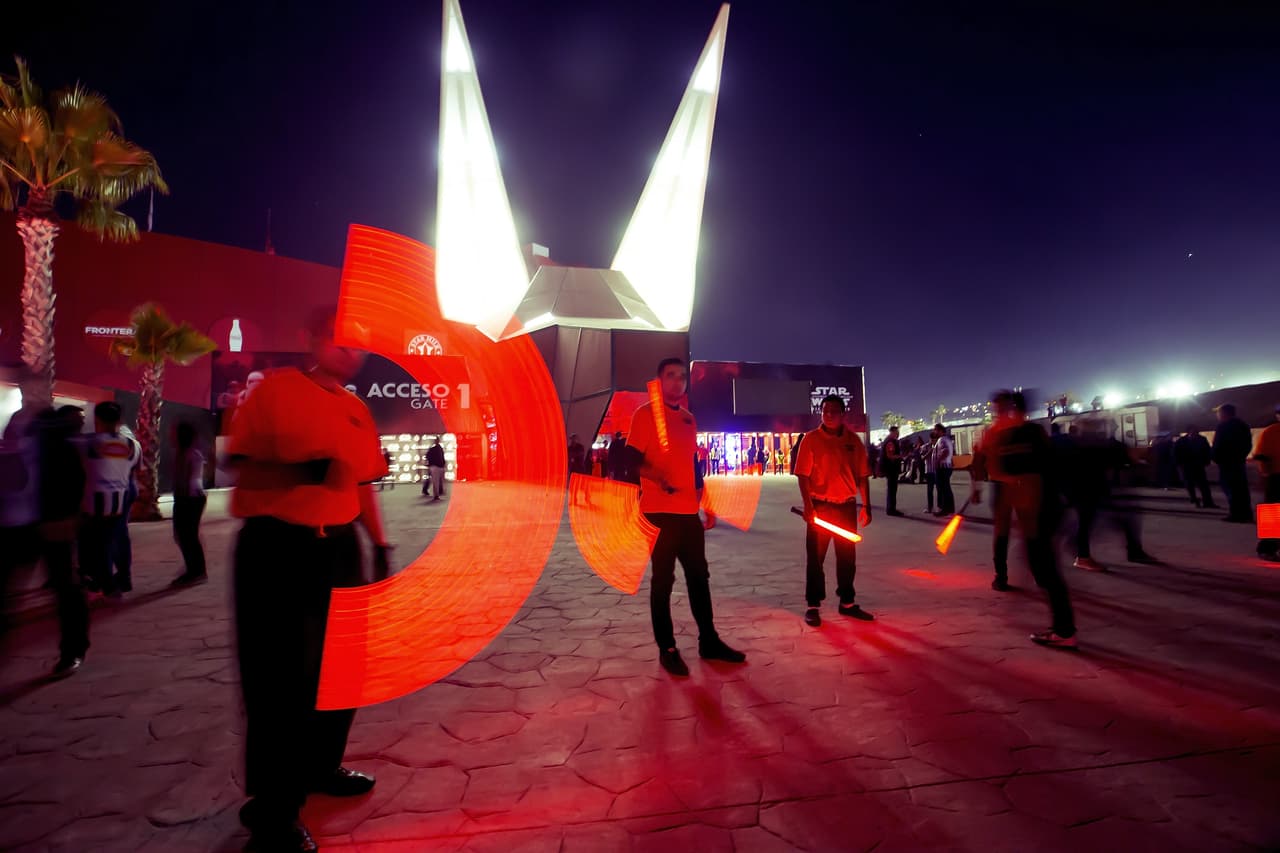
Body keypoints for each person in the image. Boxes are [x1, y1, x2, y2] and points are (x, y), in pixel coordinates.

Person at [228, 307, 391, 852]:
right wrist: (303, 470)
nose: (354, 353)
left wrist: (379, 541)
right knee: (279, 680)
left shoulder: (355, 409)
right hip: (277, 545)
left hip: (340, 546)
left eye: (361, 345)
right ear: (312, 339)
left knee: (339, 669)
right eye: (342, 341)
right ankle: (274, 810)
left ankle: (322, 767)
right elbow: (238, 464)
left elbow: (362, 483)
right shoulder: (274, 393)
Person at [625, 357, 745, 677]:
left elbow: (693, 466)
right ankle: (668, 648)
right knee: (663, 581)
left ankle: (709, 641)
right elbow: (627, 461)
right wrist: (656, 475)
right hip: (659, 513)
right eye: (671, 376)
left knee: (699, 579)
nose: (677, 382)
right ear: (659, 380)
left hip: (688, 514)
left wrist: (706, 502)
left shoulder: (689, 419)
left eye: (681, 377)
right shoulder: (645, 415)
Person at [971, 391, 1077, 648]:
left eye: (1003, 410)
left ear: (1012, 410)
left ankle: (1064, 631)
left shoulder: (1011, 436)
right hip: (1044, 507)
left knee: (1044, 568)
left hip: (1039, 509)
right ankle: (1063, 627)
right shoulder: (1028, 433)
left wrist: (989, 472)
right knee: (1042, 567)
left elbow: (1002, 471)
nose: (999, 414)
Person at [795, 395, 874, 626]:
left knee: (847, 558)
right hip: (821, 506)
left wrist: (866, 506)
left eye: (834, 410)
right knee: (815, 559)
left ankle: (847, 603)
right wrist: (809, 506)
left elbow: (862, 476)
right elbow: (802, 476)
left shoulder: (853, 441)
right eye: (825, 410)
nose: (829, 414)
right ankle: (813, 605)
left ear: (843, 414)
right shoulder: (810, 439)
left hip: (847, 507)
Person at [78, 402, 141, 596]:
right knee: (117, 538)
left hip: (94, 502)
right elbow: (135, 470)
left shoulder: (88, 444)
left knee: (98, 543)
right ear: (119, 420)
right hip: (120, 501)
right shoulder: (133, 445)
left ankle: (106, 585)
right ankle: (120, 579)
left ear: (96, 420)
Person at [170, 422, 209, 586]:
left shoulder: (189, 454)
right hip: (189, 497)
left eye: (173, 433)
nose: (170, 436)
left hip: (190, 498)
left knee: (187, 536)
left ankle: (197, 571)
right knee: (185, 536)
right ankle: (195, 569)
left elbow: (185, 481)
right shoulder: (187, 453)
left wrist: (181, 501)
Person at [1213, 404, 1253, 523]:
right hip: (1238, 462)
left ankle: (1236, 514)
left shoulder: (1223, 426)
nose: (1217, 415)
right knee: (1241, 488)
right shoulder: (1243, 425)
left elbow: (1218, 445)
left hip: (1227, 463)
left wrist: (1216, 458)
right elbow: (1248, 444)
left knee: (1231, 488)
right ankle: (1246, 514)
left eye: (1218, 412)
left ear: (1224, 413)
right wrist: (1241, 456)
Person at [1253, 404, 1280, 562]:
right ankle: (1268, 547)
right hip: (1275, 476)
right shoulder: (1271, 431)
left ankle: (1267, 548)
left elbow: (1261, 456)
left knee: (1272, 513)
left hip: (1275, 477)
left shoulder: (1270, 431)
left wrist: (1264, 475)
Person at [1173, 425, 1216, 509]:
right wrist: (1179, 463)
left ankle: (1207, 502)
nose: (1194, 433)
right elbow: (1175, 453)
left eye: (1196, 431)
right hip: (1186, 466)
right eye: (1192, 431)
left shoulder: (1202, 439)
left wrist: (1207, 461)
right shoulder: (1181, 441)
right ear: (1188, 432)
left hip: (1198, 465)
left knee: (1203, 484)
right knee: (1190, 484)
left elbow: (1207, 450)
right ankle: (1194, 499)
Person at [932, 424, 956, 515]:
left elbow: (945, 451)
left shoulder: (942, 440)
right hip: (947, 467)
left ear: (940, 430)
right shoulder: (947, 439)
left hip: (942, 467)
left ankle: (944, 509)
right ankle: (950, 508)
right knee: (946, 488)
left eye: (936, 430)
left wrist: (937, 462)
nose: (934, 432)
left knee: (942, 488)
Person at [881, 426, 904, 515]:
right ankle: (891, 509)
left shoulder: (888, 440)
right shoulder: (890, 442)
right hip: (891, 469)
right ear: (893, 432)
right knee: (892, 490)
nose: (898, 434)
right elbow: (890, 456)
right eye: (897, 432)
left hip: (890, 469)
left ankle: (891, 509)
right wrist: (900, 456)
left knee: (892, 489)